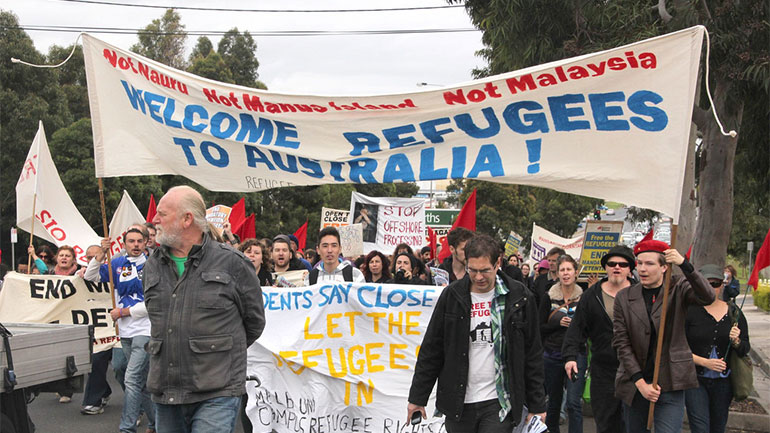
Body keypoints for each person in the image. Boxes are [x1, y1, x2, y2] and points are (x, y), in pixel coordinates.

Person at [145, 185, 265, 433]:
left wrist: (217, 355)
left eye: (162, 214)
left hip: (216, 391)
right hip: (166, 389)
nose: (154, 220)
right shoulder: (152, 266)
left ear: (187, 219)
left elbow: (254, 323)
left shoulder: (233, 263)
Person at [407, 234, 546, 432]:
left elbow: (532, 353)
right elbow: (432, 349)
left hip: (499, 401)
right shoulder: (452, 296)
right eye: (472, 270)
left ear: (498, 263)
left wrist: (537, 404)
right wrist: (417, 399)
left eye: (485, 270)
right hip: (458, 402)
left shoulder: (520, 296)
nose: (479, 277)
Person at [612, 239, 715, 433]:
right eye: (640, 263)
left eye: (649, 264)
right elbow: (621, 343)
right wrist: (640, 383)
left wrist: (685, 265)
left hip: (670, 383)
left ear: (664, 267)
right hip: (636, 384)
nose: (642, 269)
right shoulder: (624, 297)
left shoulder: (678, 288)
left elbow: (707, 296)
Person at [84, 229, 156, 433]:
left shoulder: (154, 265)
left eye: (139, 241)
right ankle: (156, 422)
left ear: (145, 243)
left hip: (146, 329)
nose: (135, 245)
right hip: (124, 332)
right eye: (131, 241)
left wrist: (124, 311)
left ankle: (127, 427)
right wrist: (100, 254)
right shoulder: (117, 263)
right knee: (137, 382)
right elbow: (91, 276)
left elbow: (155, 302)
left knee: (131, 379)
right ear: (124, 244)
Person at [562, 245, 635, 433]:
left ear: (630, 268)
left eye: (622, 264)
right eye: (612, 263)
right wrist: (570, 357)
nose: (617, 267)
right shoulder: (591, 295)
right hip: (603, 370)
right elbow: (577, 329)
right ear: (606, 267)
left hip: (636, 370)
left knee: (633, 424)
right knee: (606, 422)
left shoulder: (640, 293)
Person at [684, 264, 750, 433]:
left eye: (715, 284)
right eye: (706, 284)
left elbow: (744, 349)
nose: (711, 289)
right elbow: (677, 349)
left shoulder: (734, 313)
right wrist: (705, 362)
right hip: (695, 380)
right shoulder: (689, 312)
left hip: (723, 383)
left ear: (722, 285)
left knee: (718, 427)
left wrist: (736, 341)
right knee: (700, 427)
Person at [539, 254, 584, 433]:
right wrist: (556, 323)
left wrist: (577, 326)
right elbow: (539, 326)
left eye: (569, 270)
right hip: (552, 354)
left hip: (577, 353)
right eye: (562, 270)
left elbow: (589, 326)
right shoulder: (548, 297)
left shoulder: (584, 297)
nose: (566, 273)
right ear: (557, 273)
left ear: (575, 272)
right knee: (554, 402)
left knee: (573, 402)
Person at [79, 244, 114, 415]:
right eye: (88, 257)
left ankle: (140, 402)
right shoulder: (79, 276)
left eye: (97, 256)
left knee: (122, 367)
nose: (92, 260)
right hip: (97, 330)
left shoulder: (113, 272)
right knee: (97, 360)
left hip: (117, 327)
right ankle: (94, 400)